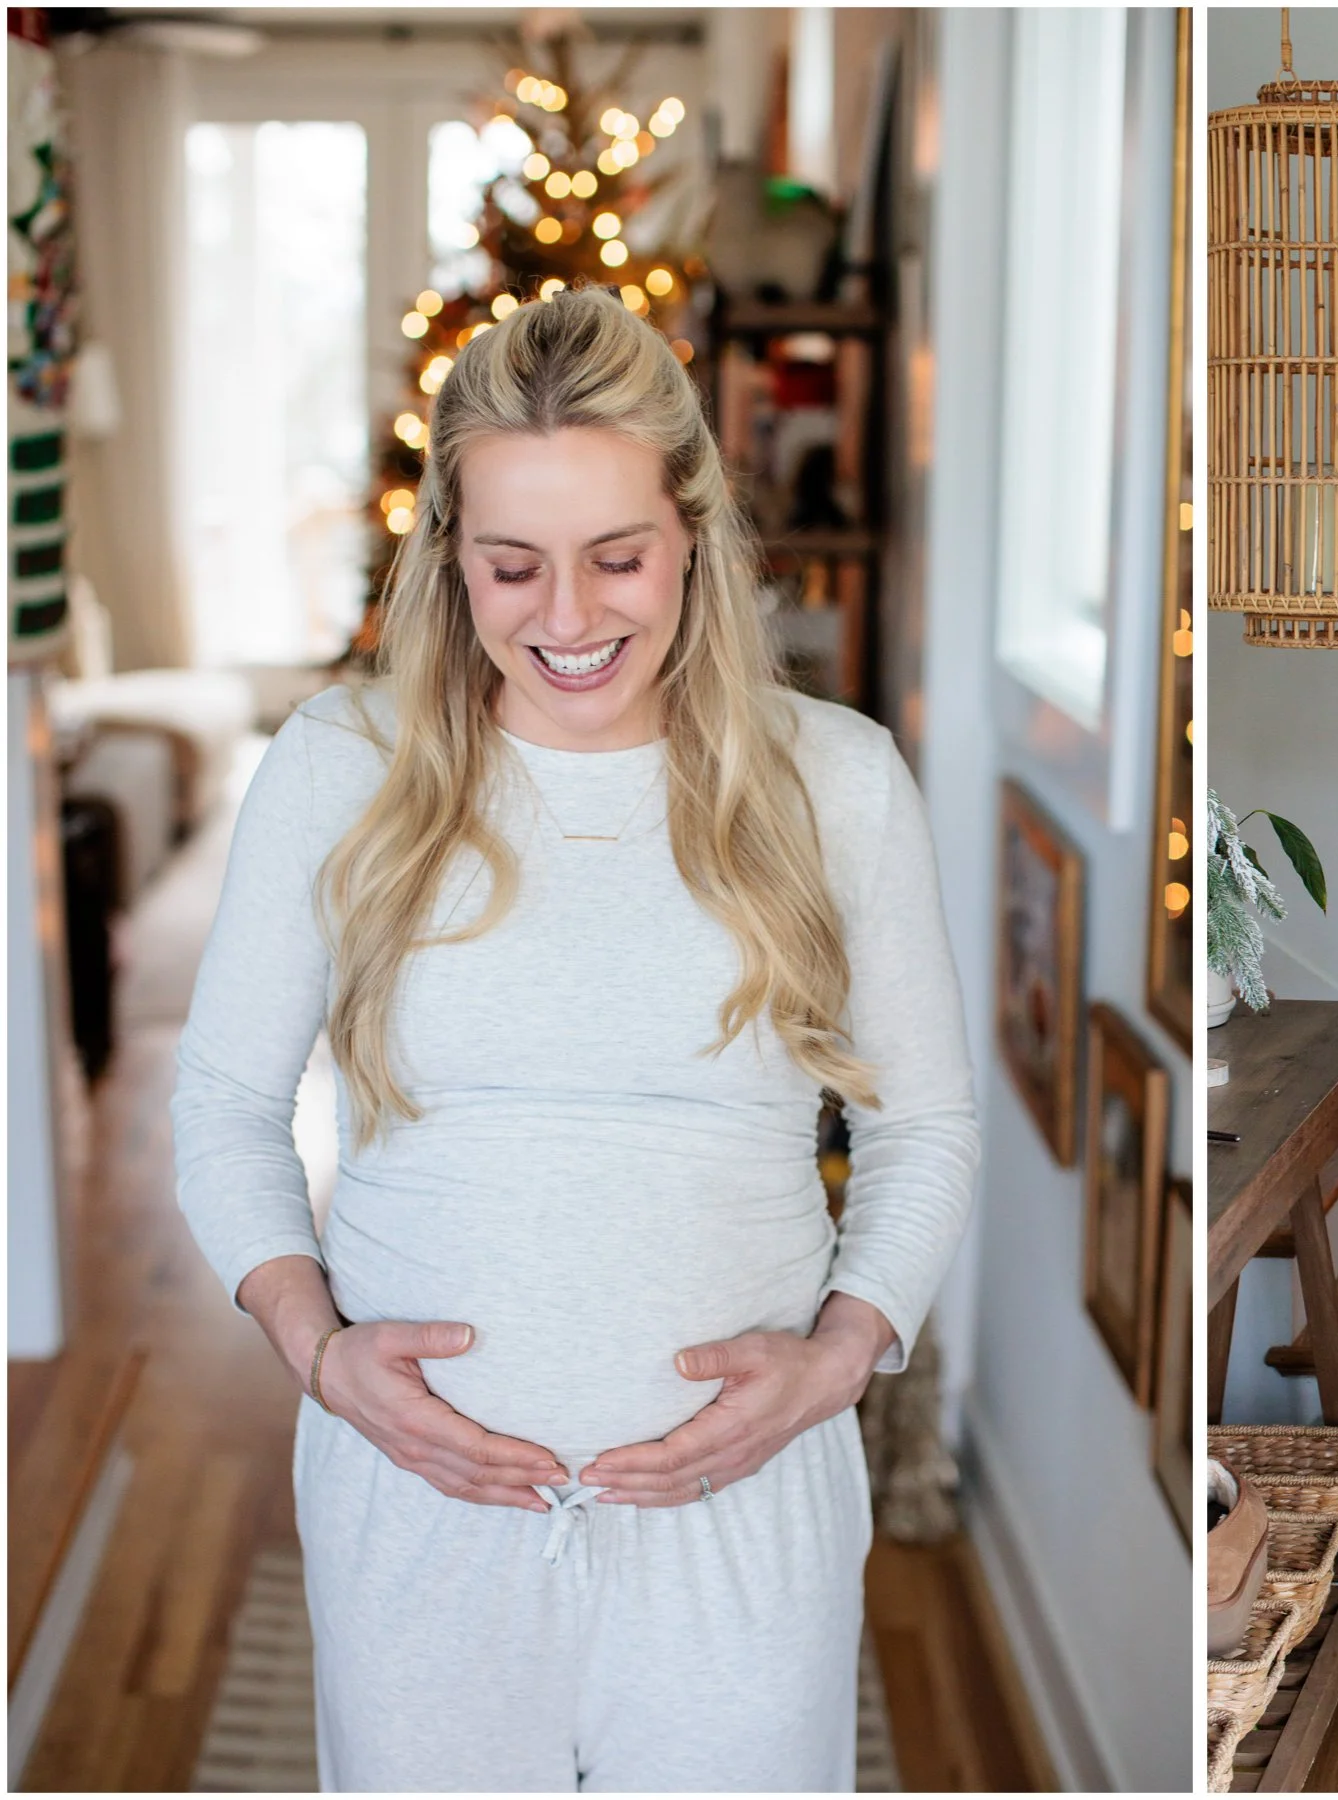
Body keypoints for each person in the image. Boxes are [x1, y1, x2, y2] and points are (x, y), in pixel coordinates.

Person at [170, 284, 978, 1791]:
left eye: (618, 559)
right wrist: (318, 1351)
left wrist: (841, 1359)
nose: (568, 618)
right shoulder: (340, 767)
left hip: (744, 1524)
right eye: (511, 566)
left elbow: (924, 1127)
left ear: (693, 534)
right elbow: (222, 1103)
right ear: (450, 562)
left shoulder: (838, 780)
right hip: (417, 1520)